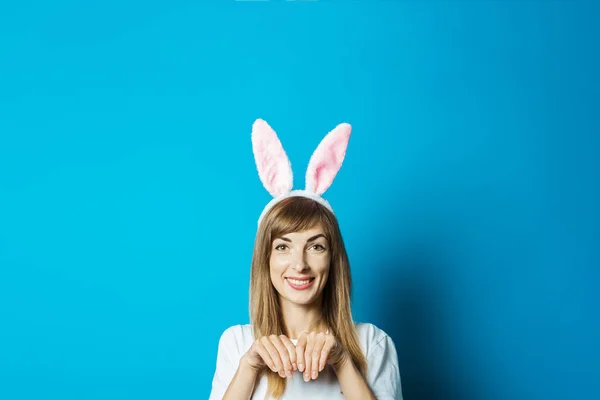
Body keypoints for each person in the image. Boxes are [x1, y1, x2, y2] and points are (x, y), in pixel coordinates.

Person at [209, 119, 403, 399]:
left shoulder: (372, 343)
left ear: (334, 259)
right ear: (265, 260)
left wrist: (343, 361)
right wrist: (249, 367)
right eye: (283, 247)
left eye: (316, 247)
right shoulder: (237, 343)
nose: (299, 264)